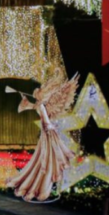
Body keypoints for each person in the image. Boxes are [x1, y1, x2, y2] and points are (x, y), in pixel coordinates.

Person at [6, 69, 78, 202]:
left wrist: (25, 103)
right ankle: (43, 190)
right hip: (49, 135)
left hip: (47, 136)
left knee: (45, 162)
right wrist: (52, 126)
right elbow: (46, 122)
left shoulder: (41, 105)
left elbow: (38, 112)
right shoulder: (42, 106)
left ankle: (40, 188)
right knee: (47, 162)